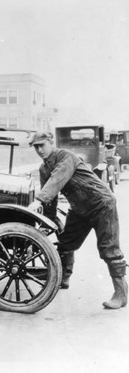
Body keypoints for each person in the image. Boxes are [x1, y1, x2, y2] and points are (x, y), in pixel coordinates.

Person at [28, 131, 127, 309]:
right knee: (66, 244)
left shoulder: (66, 157)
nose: (39, 150)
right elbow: (51, 199)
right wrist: (46, 223)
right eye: (36, 147)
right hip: (80, 209)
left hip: (101, 204)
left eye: (42, 145)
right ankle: (63, 279)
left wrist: (38, 200)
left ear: (51, 142)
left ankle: (121, 294)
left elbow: (58, 178)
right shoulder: (43, 169)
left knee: (109, 249)